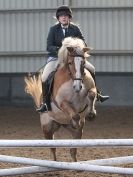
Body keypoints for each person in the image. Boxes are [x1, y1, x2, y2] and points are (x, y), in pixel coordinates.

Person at [37, 5, 109, 113]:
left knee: (92, 68)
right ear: (58, 18)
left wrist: (77, 47)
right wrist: (62, 50)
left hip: (74, 57)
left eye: (65, 16)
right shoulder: (53, 29)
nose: (63, 17)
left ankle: (97, 93)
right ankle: (46, 102)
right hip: (57, 58)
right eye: (61, 16)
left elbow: (84, 42)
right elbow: (49, 46)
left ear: (69, 17)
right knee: (45, 75)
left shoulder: (75, 28)